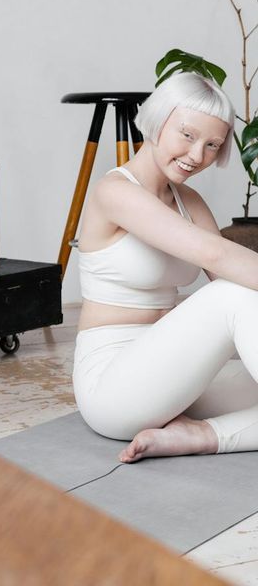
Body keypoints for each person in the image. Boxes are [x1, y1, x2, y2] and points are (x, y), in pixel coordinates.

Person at [73, 71, 258, 463]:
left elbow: (236, 276)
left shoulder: (190, 202)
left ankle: (202, 436)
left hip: (173, 377)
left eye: (212, 145)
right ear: (158, 120)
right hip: (112, 387)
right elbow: (218, 258)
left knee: (236, 291)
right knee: (229, 296)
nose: (197, 156)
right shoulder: (115, 191)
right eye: (187, 135)